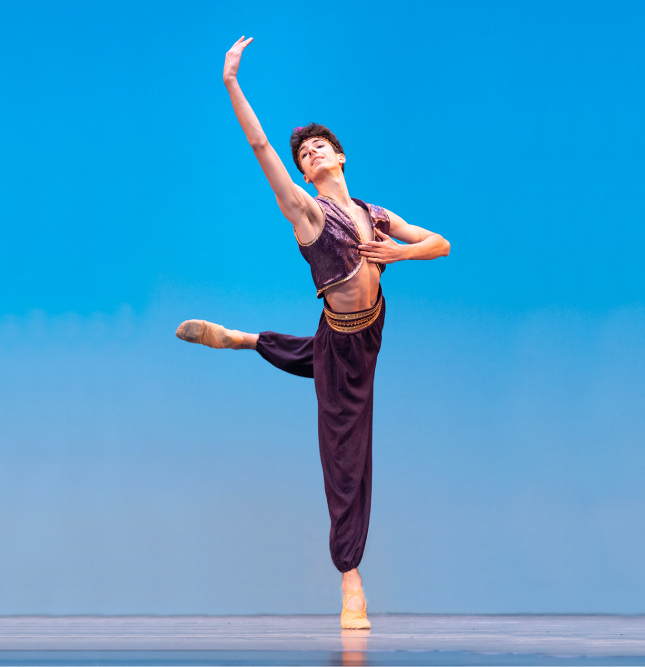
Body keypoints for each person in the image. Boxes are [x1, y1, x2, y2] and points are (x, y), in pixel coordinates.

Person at [177, 36, 450, 629]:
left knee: (319, 357)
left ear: (342, 157)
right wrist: (231, 82)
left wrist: (397, 255)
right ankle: (352, 583)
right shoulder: (307, 214)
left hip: (368, 333)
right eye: (305, 155)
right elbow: (259, 145)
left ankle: (245, 339)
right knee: (346, 457)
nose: (312, 154)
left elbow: (440, 243)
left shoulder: (376, 215)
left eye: (321, 146)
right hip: (341, 333)